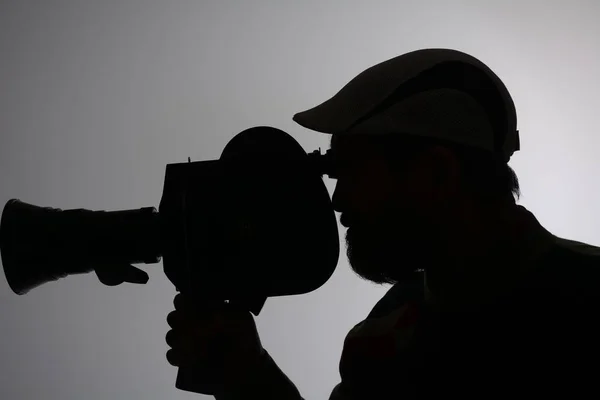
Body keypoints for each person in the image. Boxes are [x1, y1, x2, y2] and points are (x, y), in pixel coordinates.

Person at [164, 48, 600, 399]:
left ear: (436, 173)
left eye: (349, 170)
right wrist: (247, 377)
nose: (337, 201)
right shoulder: (385, 333)